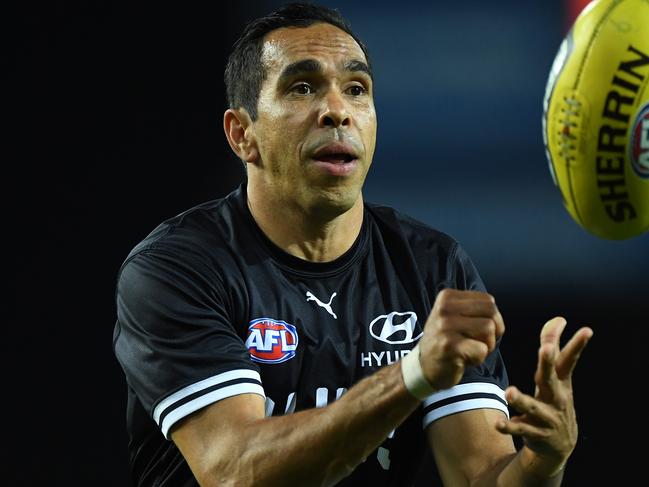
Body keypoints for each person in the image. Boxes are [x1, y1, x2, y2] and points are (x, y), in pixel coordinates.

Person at [113, 3, 593, 486]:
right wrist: (412, 375)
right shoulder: (177, 269)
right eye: (302, 87)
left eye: (357, 89)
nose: (336, 110)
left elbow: (480, 478)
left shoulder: (432, 269)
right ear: (242, 134)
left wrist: (541, 462)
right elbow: (235, 471)